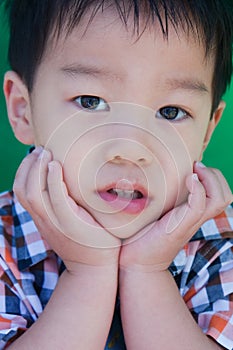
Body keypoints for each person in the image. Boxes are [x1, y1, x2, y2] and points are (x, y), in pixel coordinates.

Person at [0, 0, 233, 349]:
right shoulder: (5, 243)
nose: (132, 147)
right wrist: (88, 272)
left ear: (206, 134)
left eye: (171, 111)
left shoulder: (221, 244)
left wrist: (147, 272)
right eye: (91, 101)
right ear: (23, 110)